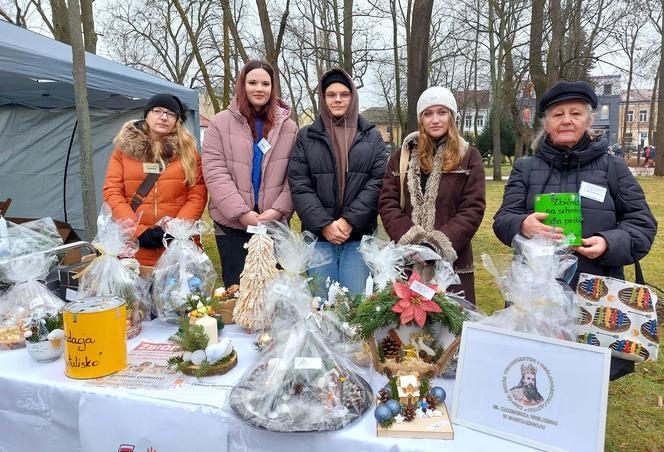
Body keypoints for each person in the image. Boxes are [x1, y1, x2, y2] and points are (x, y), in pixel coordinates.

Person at [493, 80, 657, 379]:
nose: (566, 120)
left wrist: (608, 243)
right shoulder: (526, 168)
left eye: (575, 113)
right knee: (531, 368)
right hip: (534, 293)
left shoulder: (612, 168)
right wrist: (522, 224)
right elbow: (503, 219)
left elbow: (642, 224)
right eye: (558, 114)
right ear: (546, 122)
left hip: (594, 292)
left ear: (589, 119)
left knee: (583, 379)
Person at [378, 87, 486, 304]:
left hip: (451, 265)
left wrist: (435, 244)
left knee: (449, 331)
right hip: (408, 261)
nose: (435, 120)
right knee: (406, 331)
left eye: (442, 112)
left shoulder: (469, 157)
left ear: (452, 117)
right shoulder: (401, 157)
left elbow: (472, 208)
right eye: (428, 114)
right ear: (420, 119)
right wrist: (414, 242)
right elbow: (388, 202)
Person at [288, 68, 387, 295]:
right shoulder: (306, 137)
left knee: (355, 306)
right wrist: (324, 224)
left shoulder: (371, 136)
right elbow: (299, 184)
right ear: (323, 98)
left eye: (344, 94)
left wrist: (349, 221)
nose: (338, 99)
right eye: (331, 94)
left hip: (358, 238)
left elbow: (378, 181)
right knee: (321, 306)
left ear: (353, 97)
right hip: (319, 239)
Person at [203, 60, 297, 287]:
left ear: (273, 88)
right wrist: (241, 213)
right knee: (237, 293)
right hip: (231, 224)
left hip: (273, 223)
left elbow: (295, 175)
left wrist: (277, 210)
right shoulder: (219, 123)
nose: (259, 88)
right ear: (242, 85)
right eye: (252, 82)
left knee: (274, 294)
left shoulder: (289, 127)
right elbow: (215, 171)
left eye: (265, 83)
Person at [104, 93, 207, 266]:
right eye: (157, 111)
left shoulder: (189, 153)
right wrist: (137, 231)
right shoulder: (123, 151)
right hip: (134, 244)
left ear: (177, 120)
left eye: (171, 113)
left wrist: (174, 230)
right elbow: (112, 192)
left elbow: (197, 195)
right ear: (147, 115)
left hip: (176, 244)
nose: (163, 117)